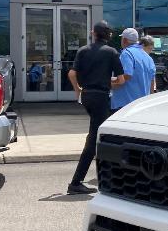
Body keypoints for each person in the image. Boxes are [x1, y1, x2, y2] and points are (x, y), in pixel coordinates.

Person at [66, 21, 124, 195]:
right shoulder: (112, 52)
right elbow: (120, 80)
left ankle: (108, 176)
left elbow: (71, 74)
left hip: (87, 97)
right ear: (108, 35)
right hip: (100, 97)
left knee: (98, 135)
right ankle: (76, 183)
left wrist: (78, 91)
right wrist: (108, 83)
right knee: (94, 140)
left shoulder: (83, 50)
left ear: (93, 33)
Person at [112, 28, 156, 111]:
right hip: (142, 104)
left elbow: (127, 76)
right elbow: (152, 82)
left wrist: (109, 83)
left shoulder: (127, 53)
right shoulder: (148, 57)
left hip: (125, 104)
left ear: (124, 40)